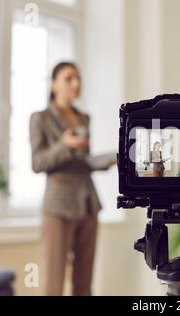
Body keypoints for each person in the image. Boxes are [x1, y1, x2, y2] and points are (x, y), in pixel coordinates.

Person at [29, 62, 116, 296]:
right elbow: (38, 163)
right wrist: (63, 145)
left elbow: (84, 162)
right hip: (58, 207)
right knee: (53, 284)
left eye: (78, 78)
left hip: (88, 204)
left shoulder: (84, 118)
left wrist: (110, 159)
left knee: (84, 283)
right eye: (69, 78)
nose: (76, 84)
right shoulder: (41, 118)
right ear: (53, 83)